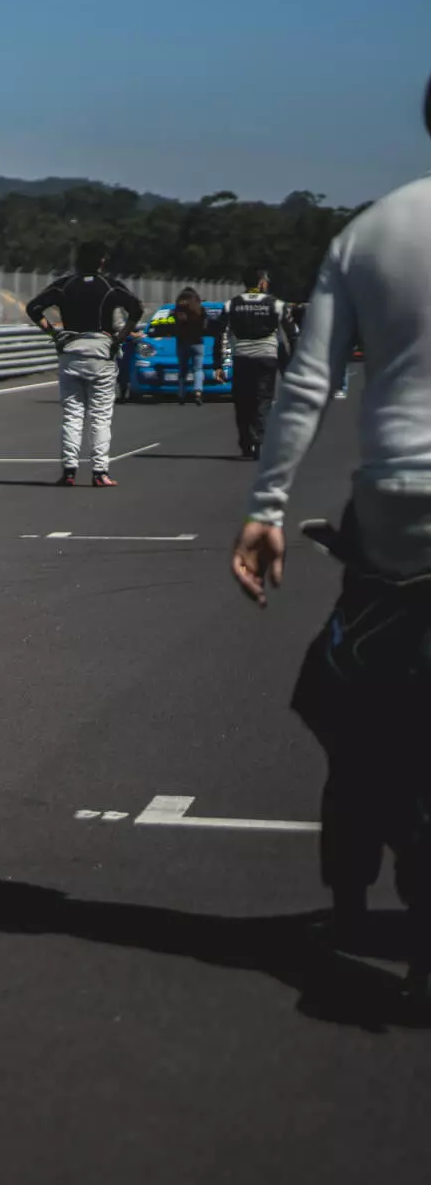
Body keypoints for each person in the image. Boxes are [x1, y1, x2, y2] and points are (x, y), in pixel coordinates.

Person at [230, 75, 431, 999]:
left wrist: (267, 506)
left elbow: (307, 385)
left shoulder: (373, 231)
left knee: (355, 688)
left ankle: (351, 862)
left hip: (394, 497)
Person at [26, 242, 143, 486]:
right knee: (100, 416)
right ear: (102, 262)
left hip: (71, 351)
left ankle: (69, 471)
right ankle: (100, 472)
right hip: (101, 351)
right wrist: (120, 338)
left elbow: (33, 308)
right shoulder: (109, 285)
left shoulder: (64, 285)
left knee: (72, 415)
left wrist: (53, 333)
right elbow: (136, 308)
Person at [225, 266, 288, 459]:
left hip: (241, 358)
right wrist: (288, 365)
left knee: (242, 402)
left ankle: (246, 443)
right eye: (266, 280)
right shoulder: (276, 304)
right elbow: (291, 335)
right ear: (261, 282)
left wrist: (219, 364)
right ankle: (260, 443)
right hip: (266, 358)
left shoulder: (231, 304)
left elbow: (219, 333)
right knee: (263, 401)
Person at [171, 286, 209, 404]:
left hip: (182, 342)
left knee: (183, 369)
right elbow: (205, 327)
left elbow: (172, 326)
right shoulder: (200, 311)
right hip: (198, 342)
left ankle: (181, 394)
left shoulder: (177, 311)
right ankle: (198, 392)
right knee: (198, 369)